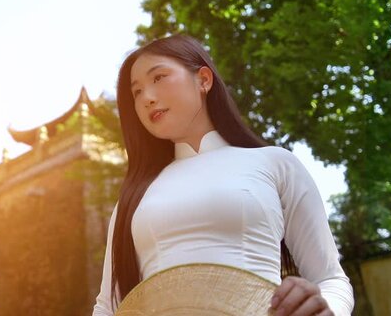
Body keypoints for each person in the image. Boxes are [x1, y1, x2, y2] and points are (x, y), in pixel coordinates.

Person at [92, 35, 354, 316]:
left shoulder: (275, 163)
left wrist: (327, 311)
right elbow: (108, 307)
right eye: (137, 92)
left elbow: (330, 278)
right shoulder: (134, 198)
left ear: (204, 79)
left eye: (158, 78)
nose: (147, 98)